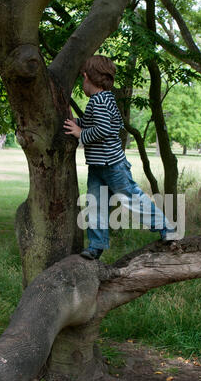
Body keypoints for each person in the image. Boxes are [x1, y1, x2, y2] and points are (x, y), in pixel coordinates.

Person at [64, 55, 175, 260]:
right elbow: (90, 122)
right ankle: (96, 246)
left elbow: (103, 129)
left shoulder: (100, 101)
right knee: (96, 204)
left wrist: (80, 134)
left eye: (82, 79)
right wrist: (74, 121)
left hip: (113, 165)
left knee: (131, 198)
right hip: (98, 165)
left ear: (87, 77)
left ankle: (166, 226)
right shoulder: (101, 100)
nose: (82, 84)